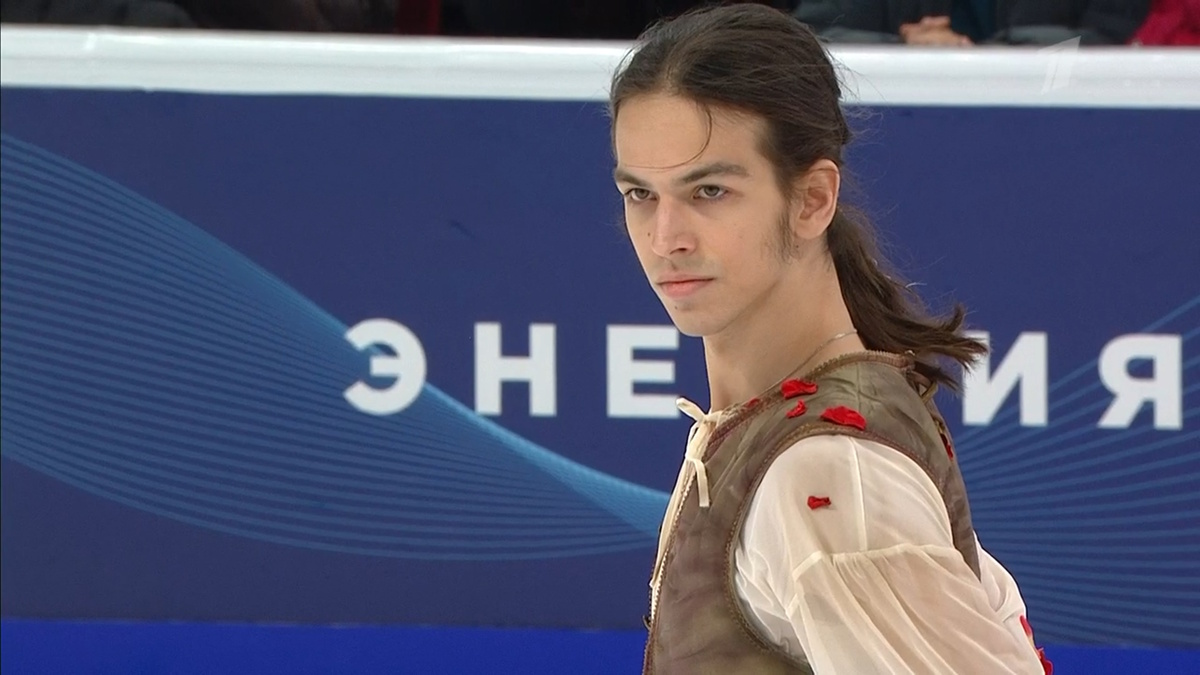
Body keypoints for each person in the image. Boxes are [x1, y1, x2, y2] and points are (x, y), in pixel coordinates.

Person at [608, 5, 1053, 674]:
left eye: (709, 190)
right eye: (641, 194)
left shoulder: (826, 473)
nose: (665, 237)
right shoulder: (781, 434)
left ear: (813, 199)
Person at [794, 0, 1150, 46]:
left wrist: (979, 57)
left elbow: (1109, 40)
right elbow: (812, 37)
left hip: (1057, 125)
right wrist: (908, 49)